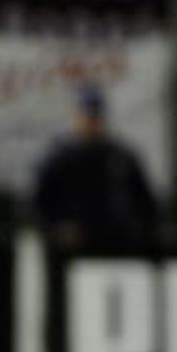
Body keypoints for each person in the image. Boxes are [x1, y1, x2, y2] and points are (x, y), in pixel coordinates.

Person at [30, 84, 158, 252]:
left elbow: (147, 204)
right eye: (87, 114)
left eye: (96, 115)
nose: (92, 121)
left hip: (118, 245)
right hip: (73, 250)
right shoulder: (59, 157)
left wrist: (138, 230)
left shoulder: (121, 155)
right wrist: (57, 229)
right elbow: (37, 206)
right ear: (76, 116)